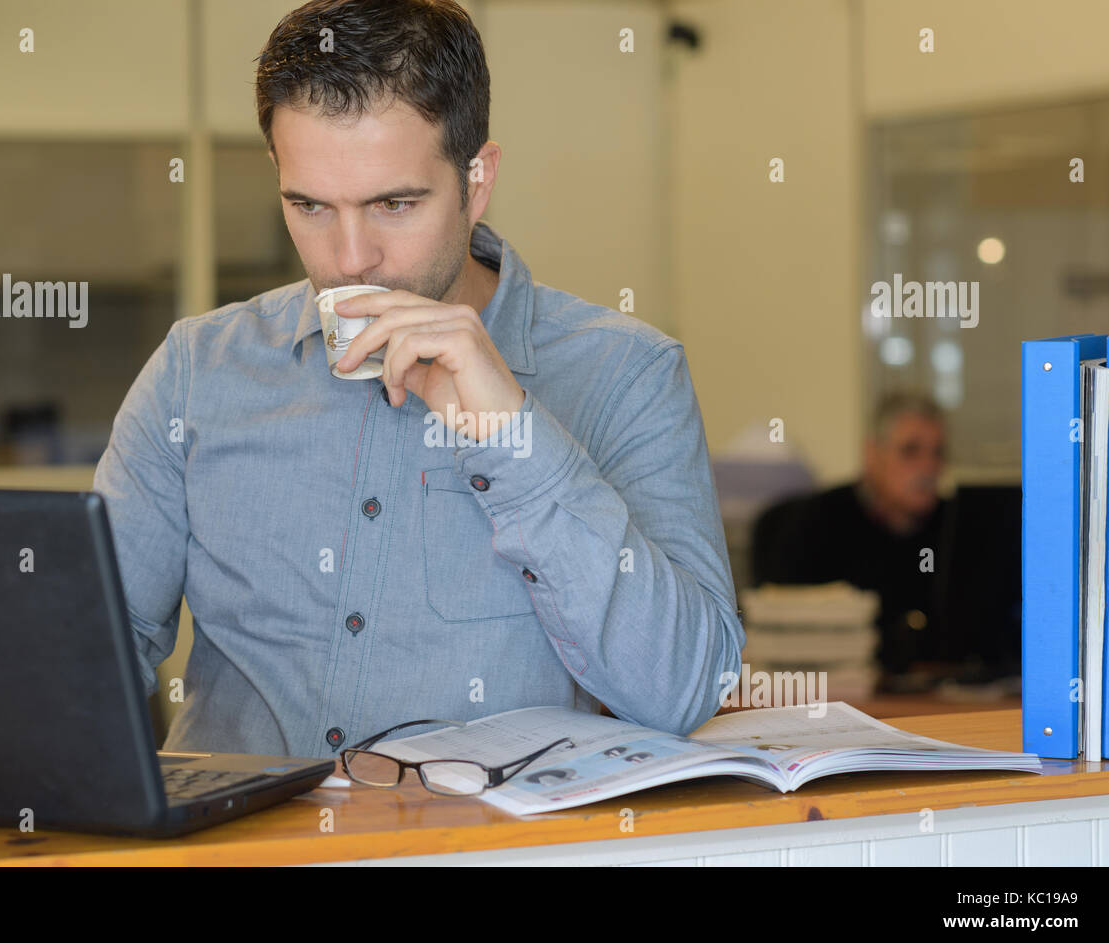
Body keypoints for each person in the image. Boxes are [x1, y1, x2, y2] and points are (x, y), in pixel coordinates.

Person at [94, 0, 743, 759]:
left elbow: (686, 691)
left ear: (478, 179)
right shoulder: (196, 371)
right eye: (308, 206)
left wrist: (515, 437)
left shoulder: (626, 374)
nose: (350, 258)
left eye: (394, 204)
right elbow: (87, 654)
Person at [750, 391, 949, 690]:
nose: (928, 466)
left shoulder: (951, 525)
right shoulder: (815, 522)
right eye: (910, 451)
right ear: (872, 454)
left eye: (938, 453)